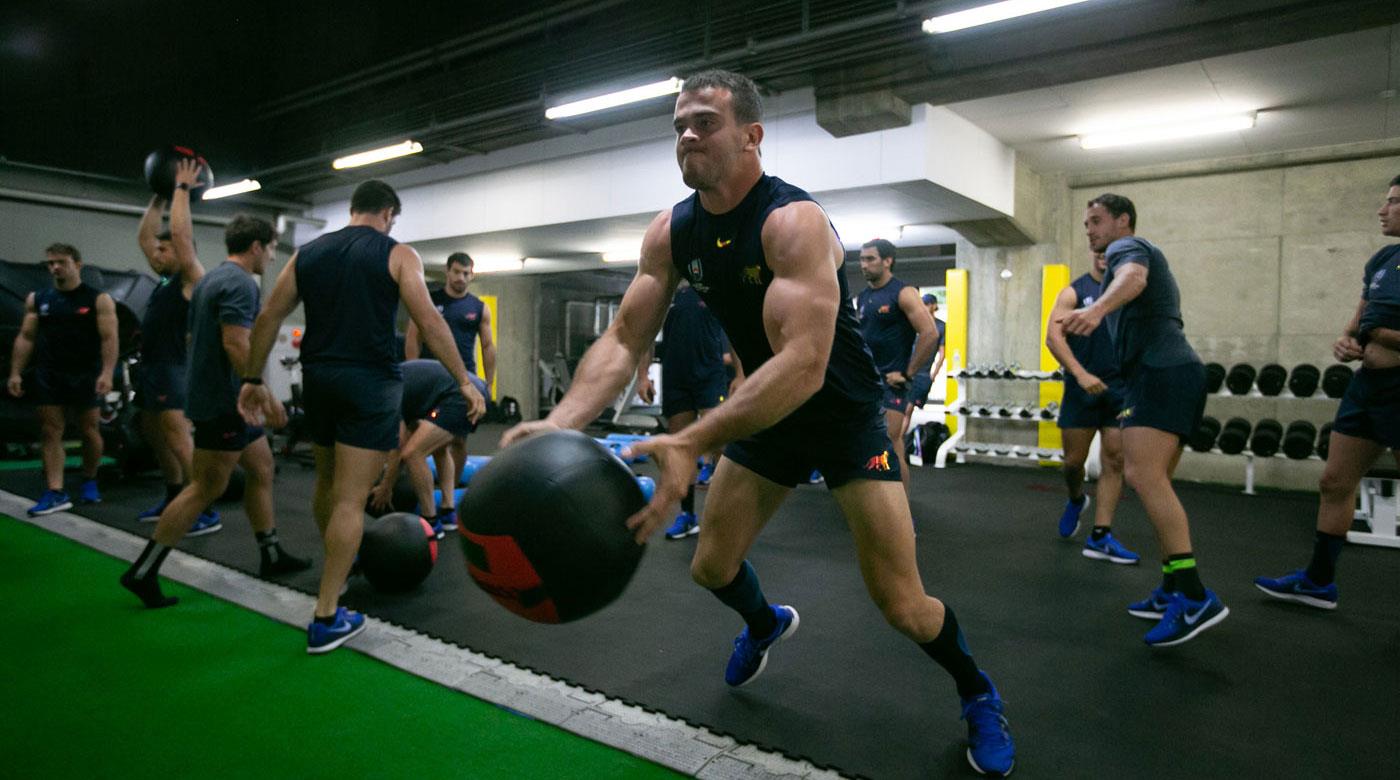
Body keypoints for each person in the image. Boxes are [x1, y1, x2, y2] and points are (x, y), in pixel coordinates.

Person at [501, 69, 1015, 776]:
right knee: (711, 567)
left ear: (751, 136)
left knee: (902, 604)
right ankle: (765, 621)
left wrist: (692, 438)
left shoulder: (791, 223)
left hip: (843, 419)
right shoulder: (672, 232)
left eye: (705, 122)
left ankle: (977, 691)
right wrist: (560, 422)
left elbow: (805, 365)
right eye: (680, 125)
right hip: (769, 418)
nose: (688, 135)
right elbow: (624, 338)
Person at [238, 180, 485, 655]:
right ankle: (326, 615)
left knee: (326, 486)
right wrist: (463, 381)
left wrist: (251, 378)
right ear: (388, 213)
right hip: (369, 385)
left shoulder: (307, 254)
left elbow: (268, 316)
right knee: (351, 501)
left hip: (319, 380)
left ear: (353, 209)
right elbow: (429, 321)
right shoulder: (399, 254)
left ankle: (342, 568)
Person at [119, 208, 311, 609]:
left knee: (262, 467)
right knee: (205, 487)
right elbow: (235, 343)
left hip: (221, 398)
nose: (271, 257)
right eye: (271, 249)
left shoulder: (211, 280)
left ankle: (271, 551)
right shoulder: (240, 283)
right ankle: (143, 571)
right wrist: (263, 394)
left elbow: (198, 338)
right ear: (256, 246)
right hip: (226, 403)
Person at [1060, 193, 1227, 647]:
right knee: (1153, 482)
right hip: (1165, 374)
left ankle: (1194, 595)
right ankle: (1173, 586)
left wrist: (1096, 309)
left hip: (1162, 373)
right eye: (1086, 223)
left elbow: (1134, 277)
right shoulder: (1121, 255)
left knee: (1143, 475)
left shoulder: (1127, 248)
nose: (1090, 230)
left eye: (1097, 220)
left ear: (1123, 221)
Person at [1255, 174, 1400, 609]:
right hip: (1367, 387)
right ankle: (1319, 582)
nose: (1383, 210)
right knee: (1334, 481)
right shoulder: (1383, 260)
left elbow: (1377, 327)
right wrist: (1347, 340)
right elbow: (1359, 319)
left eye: (1393, 202)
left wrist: (1381, 335)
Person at [133, 159, 218, 532]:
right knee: (154, 434)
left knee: (177, 436)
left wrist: (181, 189)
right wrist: (159, 196)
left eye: (164, 250)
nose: (156, 254)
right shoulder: (166, 280)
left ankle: (204, 508)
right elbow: (144, 238)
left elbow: (182, 238)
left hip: (174, 368)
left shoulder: (192, 279)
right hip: (152, 367)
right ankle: (173, 494)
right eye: (158, 251)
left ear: (182, 254)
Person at [7, 242, 117, 515]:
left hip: (85, 374)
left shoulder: (98, 299)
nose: (55, 268)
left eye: (61, 262)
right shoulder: (38, 299)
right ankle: (55, 490)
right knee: (50, 431)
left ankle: (90, 479)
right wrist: (15, 372)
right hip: (49, 374)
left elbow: (109, 338)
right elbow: (26, 337)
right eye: (51, 263)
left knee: (89, 430)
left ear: (77, 265)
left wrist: (107, 372)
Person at [1044, 250, 1138, 564]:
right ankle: (1076, 499)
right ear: (1092, 254)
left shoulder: (1128, 291)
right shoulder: (1073, 292)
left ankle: (1100, 534)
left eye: (1110, 253)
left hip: (1120, 390)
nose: (1104, 257)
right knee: (1073, 463)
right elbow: (1053, 337)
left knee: (1114, 459)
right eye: (1099, 252)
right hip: (1080, 389)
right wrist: (1080, 374)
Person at [641, 280, 743, 539]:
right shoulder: (665, 292)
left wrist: (740, 374)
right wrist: (642, 376)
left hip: (709, 375)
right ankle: (687, 517)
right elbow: (647, 334)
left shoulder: (711, 285)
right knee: (680, 449)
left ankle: (728, 520)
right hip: (676, 378)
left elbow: (734, 331)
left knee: (719, 444)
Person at [404, 250, 495, 529]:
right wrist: (412, 372)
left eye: (466, 273)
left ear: (472, 275)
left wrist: (489, 384)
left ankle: (448, 500)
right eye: (456, 272)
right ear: (447, 271)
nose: (461, 278)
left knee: (456, 442)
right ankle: (443, 505)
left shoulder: (479, 308)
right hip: (431, 383)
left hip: (463, 384)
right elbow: (413, 337)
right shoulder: (429, 301)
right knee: (432, 444)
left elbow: (488, 346)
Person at [368, 359, 488, 537]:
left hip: (462, 395)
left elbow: (399, 447)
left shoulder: (384, 392)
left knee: (413, 453)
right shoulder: (393, 386)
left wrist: (386, 486)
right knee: (439, 449)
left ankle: (431, 521)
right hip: (465, 390)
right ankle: (448, 513)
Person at [855, 238, 939, 493]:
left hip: (892, 383)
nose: (864, 265)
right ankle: (875, 500)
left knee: (891, 443)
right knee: (865, 444)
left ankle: (901, 508)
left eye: (870, 259)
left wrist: (908, 373)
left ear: (887, 261)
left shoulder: (903, 293)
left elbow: (930, 333)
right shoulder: (864, 297)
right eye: (862, 259)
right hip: (866, 382)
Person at [900, 293, 946, 439]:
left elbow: (942, 353)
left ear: (933, 305)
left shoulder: (941, 326)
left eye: (927, 304)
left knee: (907, 410)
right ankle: (896, 442)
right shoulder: (914, 323)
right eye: (922, 304)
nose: (924, 307)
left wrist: (934, 374)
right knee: (898, 410)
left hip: (923, 374)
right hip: (907, 371)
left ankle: (898, 441)